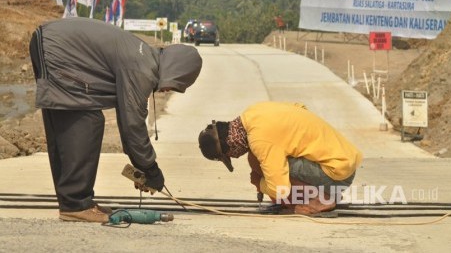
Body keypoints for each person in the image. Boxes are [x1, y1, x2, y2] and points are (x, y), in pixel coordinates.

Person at [29, 17, 202, 222]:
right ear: (175, 70)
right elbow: (132, 126)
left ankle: (72, 202)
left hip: (52, 42)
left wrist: (141, 165)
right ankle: (76, 204)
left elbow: (125, 119)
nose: (167, 89)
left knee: (66, 119)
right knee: (88, 120)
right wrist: (151, 169)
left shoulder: (144, 56)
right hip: (59, 48)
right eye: (175, 84)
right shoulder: (142, 69)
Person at [198, 101, 363, 215]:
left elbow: (279, 189)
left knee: (260, 165)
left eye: (230, 155)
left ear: (230, 145)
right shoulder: (253, 113)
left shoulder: (259, 139)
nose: (235, 156)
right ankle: (322, 193)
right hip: (343, 161)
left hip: (337, 173)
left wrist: (259, 183)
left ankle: (322, 199)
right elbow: (300, 107)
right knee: (259, 160)